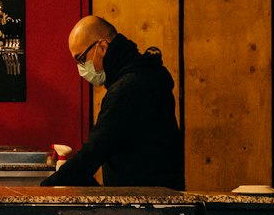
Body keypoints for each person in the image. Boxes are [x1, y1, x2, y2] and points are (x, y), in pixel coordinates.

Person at [42, 15, 185, 189]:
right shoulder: (145, 74)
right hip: (160, 198)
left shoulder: (128, 88)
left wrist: (44, 190)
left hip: (145, 207)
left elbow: (95, 150)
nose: (80, 68)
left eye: (81, 59)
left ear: (102, 47)